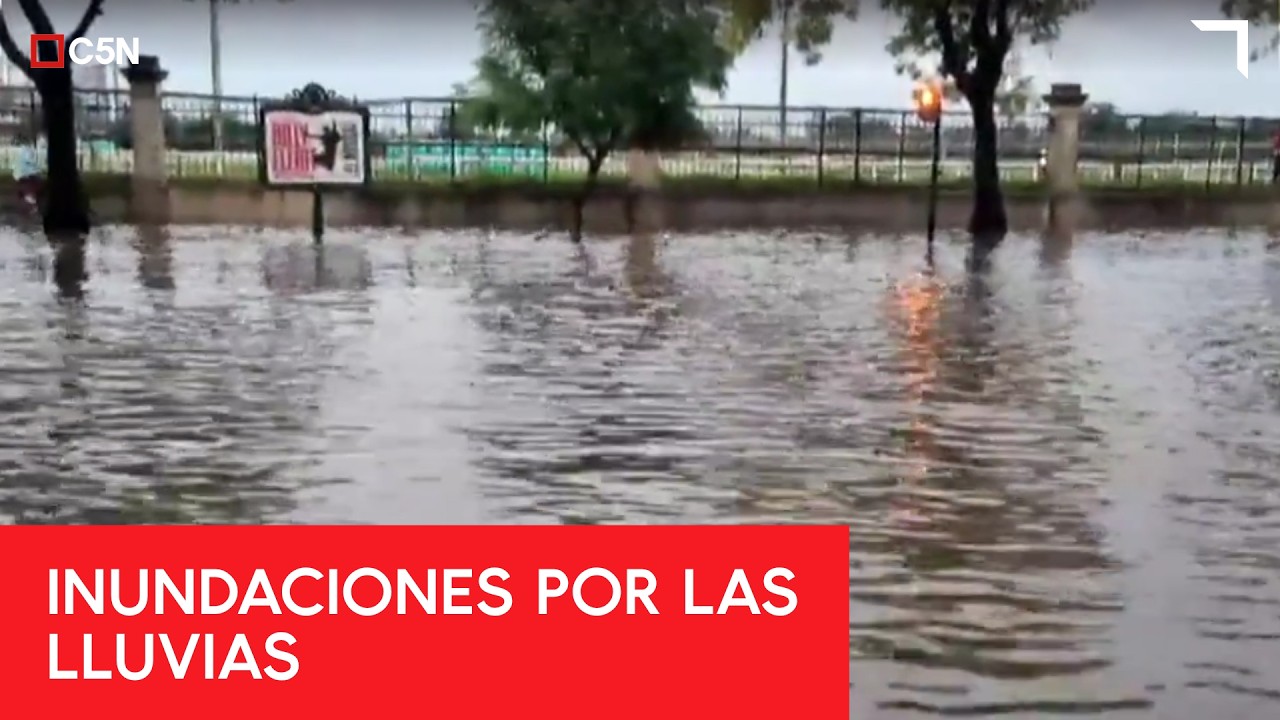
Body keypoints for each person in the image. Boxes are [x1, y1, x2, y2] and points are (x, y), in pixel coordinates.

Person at [12, 133, 43, 210]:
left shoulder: (24, 150)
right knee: (35, 183)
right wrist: (37, 169)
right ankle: (33, 201)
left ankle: (31, 200)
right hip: (24, 174)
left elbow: (29, 162)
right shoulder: (26, 150)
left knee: (34, 183)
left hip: (22, 174)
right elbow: (29, 161)